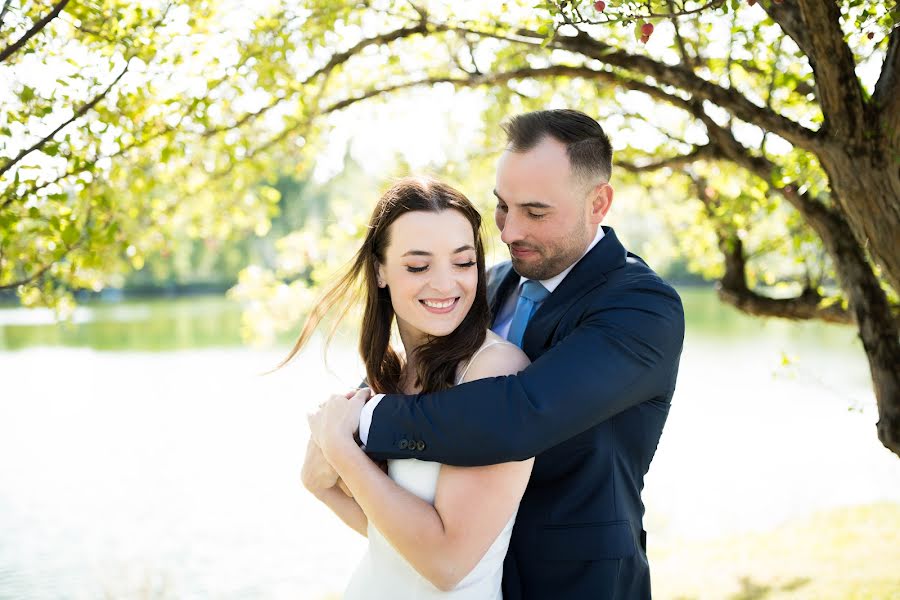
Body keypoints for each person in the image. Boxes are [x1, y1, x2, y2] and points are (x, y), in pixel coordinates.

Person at [324, 109, 686, 600]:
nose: (510, 231)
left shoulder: (642, 308)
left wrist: (363, 423)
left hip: (577, 586)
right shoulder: (489, 284)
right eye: (502, 207)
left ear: (598, 203)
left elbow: (520, 415)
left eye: (535, 212)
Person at [291, 177, 534, 598]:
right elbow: (395, 538)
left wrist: (342, 452)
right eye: (418, 266)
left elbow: (447, 563)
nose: (444, 284)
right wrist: (323, 489)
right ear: (380, 270)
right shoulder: (397, 371)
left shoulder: (494, 371)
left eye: (463, 263)